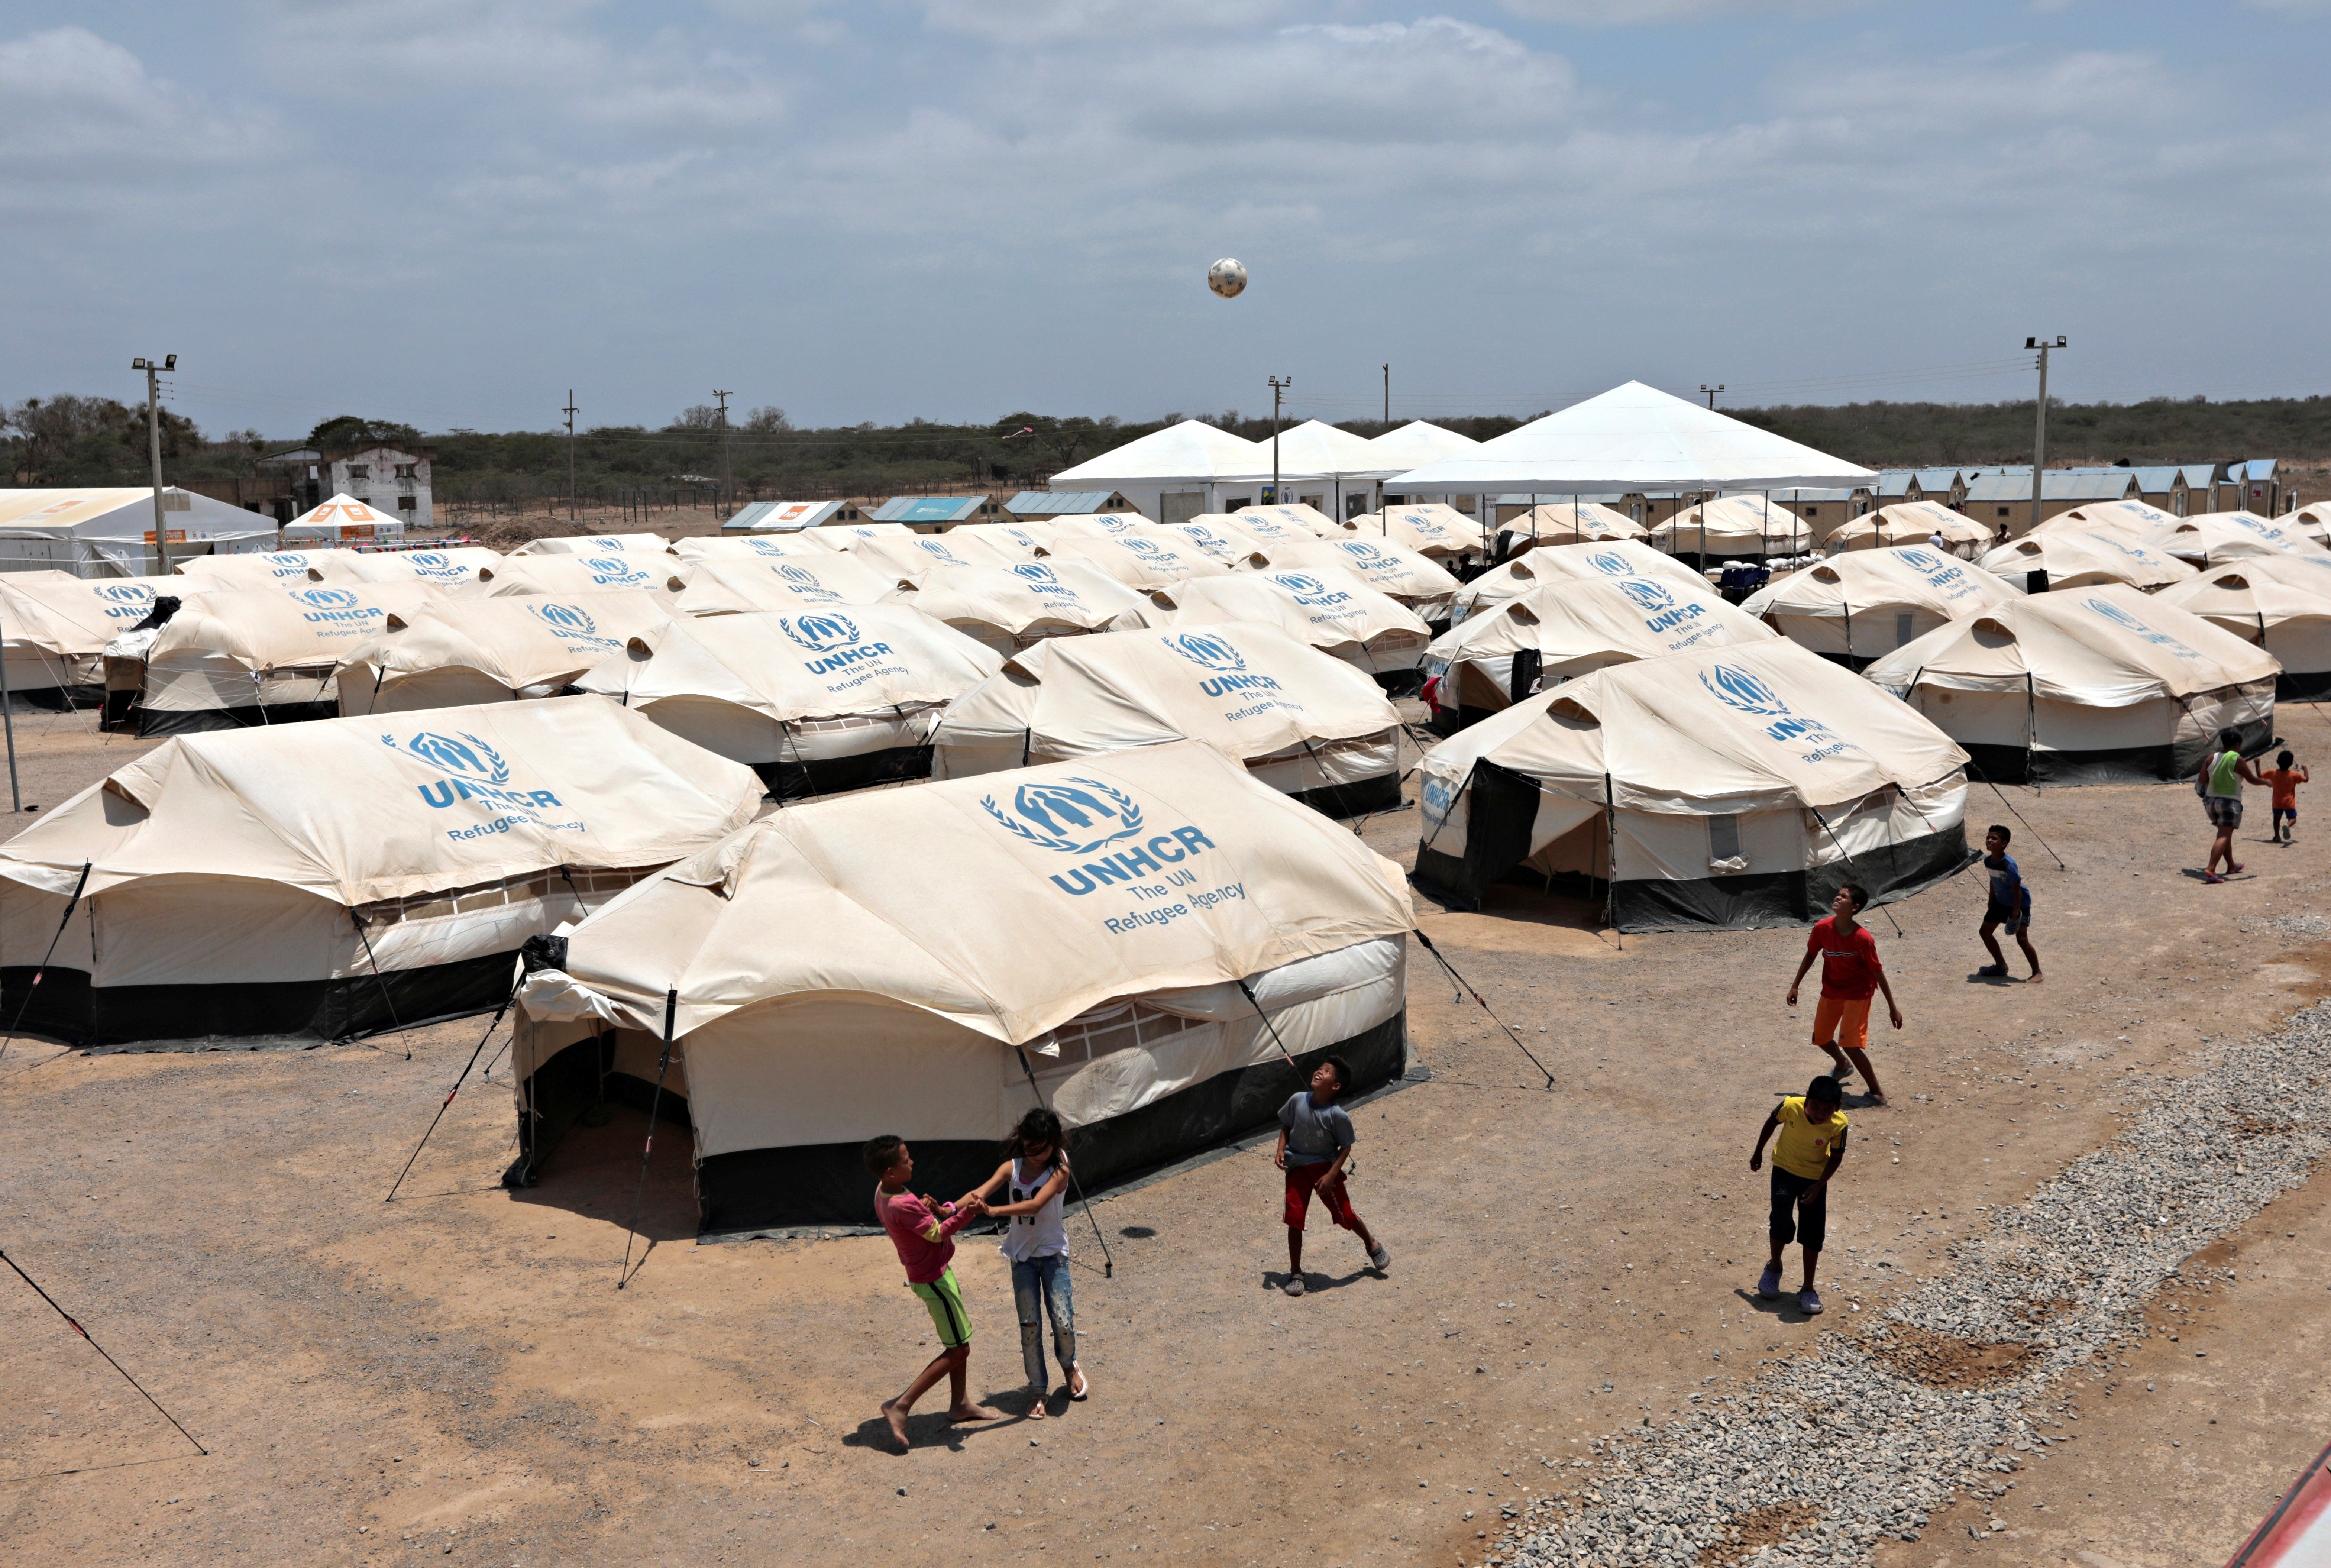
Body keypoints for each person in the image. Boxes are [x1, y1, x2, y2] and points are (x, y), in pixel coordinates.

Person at [865, 1135, 998, 1451]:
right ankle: (900, 1406)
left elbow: (926, 1220)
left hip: (934, 1272)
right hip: (933, 1279)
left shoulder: (886, 1192)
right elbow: (938, 1232)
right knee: (959, 1350)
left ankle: (960, 1404)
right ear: (890, 1171)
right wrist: (968, 1214)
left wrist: (941, 1208)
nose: (912, 1162)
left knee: (959, 1339)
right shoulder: (901, 1201)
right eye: (906, 1160)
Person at [964, 1108, 1089, 1418]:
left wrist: (993, 1212)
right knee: (1030, 1327)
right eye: (1029, 1148)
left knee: (1063, 1320)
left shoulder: (1060, 1168)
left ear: (1053, 1142)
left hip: (1053, 1255)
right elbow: (978, 1192)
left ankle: (1069, 1364)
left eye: (1042, 1148)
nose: (1035, 1155)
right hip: (1022, 1258)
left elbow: (1035, 1203)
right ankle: (1037, 1389)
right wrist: (948, 1207)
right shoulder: (1012, 1167)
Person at [1274, 1056, 1390, 1296]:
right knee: (1295, 1219)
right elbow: (1286, 1125)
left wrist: (1332, 1173)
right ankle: (1296, 1272)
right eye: (1320, 1068)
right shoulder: (1297, 1100)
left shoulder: (1338, 1116)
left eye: (1327, 1071)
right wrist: (1280, 1149)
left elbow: (1346, 1146)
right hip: (1297, 1169)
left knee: (1345, 1214)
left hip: (1324, 1170)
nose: (1319, 1071)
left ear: (1335, 1086)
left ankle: (1372, 1243)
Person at [1784, 882, 1901, 1105]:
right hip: (1832, 990)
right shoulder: (1822, 928)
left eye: (1844, 897)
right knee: (1820, 1038)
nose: (1838, 898)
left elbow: (1878, 973)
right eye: (1838, 895)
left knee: (1850, 1044)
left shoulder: (1863, 939)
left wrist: (1892, 1008)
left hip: (1858, 994)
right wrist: (1795, 985)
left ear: (1855, 907)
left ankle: (1877, 1094)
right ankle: (1843, 1065)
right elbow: (1811, 955)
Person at [1748, 1076, 1849, 1316]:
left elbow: (1836, 1157)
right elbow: (1771, 1122)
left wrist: (1819, 1186)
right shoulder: (1791, 1105)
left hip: (1814, 1180)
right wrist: (1758, 1152)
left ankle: (1808, 1288)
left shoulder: (1840, 1124)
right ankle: (1774, 1268)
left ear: (1838, 1108)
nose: (1820, 1113)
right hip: (1783, 1171)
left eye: (1828, 1109)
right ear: (1807, 1098)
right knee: (1781, 1221)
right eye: (1815, 1106)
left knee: (1813, 1232)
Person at [1976, 824, 2041, 983]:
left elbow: (2018, 891)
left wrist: (2015, 914)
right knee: (1985, 932)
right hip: (2000, 902)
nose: (1989, 841)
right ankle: (2001, 966)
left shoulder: (2009, 865)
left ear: (2004, 843)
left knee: (2022, 939)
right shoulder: (1988, 861)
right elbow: (1993, 880)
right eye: (1988, 838)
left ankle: (2037, 972)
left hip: (2019, 904)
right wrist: (1991, 900)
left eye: (1994, 838)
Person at [2199, 726, 2264, 883]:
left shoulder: (2211, 758)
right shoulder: (2237, 759)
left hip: (2211, 803)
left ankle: (2231, 865)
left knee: (2225, 834)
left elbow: (2202, 780)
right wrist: (2267, 783)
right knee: (2223, 835)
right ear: (2237, 745)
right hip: (2229, 803)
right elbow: (2252, 780)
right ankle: (2211, 868)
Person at [2261, 749, 2309, 845]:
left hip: (2276, 802)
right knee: (2293, 819)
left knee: (2276, 819)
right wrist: (2305, 769)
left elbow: (2260, 775)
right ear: (2291, 764)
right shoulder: (2294, 775)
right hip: (2289, 803)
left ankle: (2277, 836)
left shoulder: (2273, 773)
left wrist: (2257, 764)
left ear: (2277, 762)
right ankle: (2287, 825)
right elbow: (2306, 780)